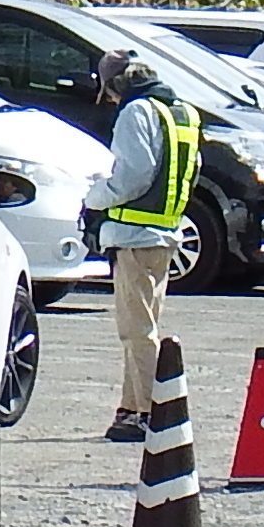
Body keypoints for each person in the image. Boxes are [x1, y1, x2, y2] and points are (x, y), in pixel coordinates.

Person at [89, 51, 198, 441]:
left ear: (116, 85)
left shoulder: (137, 112)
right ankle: (132, 408)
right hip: (165, 235)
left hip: (133, 236)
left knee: (136, 331)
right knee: (142, 327)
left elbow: (132, 177)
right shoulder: (182, 112)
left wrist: (94, 197)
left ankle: (153, 412)